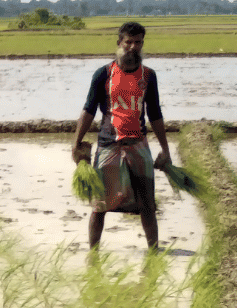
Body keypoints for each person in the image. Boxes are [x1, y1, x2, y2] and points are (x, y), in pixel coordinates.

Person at [71, 21, 173, 251]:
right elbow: (88, 109)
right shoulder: (104, 74)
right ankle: (93, 255)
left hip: (138, 145)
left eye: (138, 43)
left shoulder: (148, 76)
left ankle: (154, 253)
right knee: (99, 205)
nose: (133, 47)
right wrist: (76, 143)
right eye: (129, 42)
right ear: (119, 43)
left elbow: (155, 113)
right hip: (109, 145)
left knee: (147, 204)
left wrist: (165, 149)